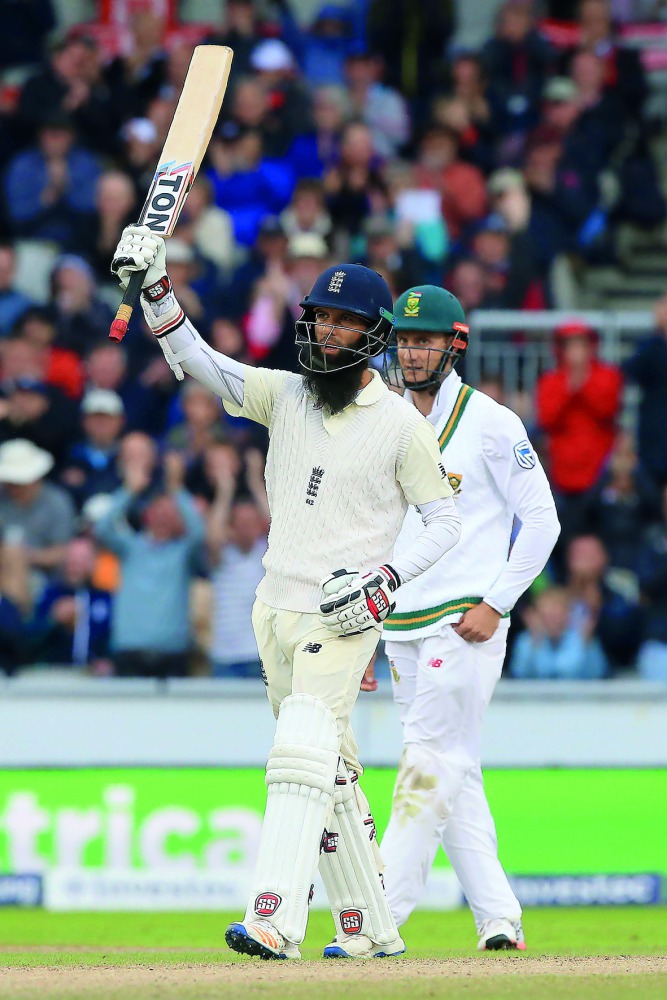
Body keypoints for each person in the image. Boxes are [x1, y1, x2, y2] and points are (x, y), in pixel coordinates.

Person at [110, 224, 461, 960]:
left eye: (343, 322)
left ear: (375, 335)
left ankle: (274, 917)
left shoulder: (401, 426)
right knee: (327, 768)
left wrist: (386, 580)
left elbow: (444, 521)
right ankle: (370, 927)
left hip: (343, 611)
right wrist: (157, 289)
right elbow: (198, 361)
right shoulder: (285, 395)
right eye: (320, 318)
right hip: (273, 606)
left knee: (299, 749)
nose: (327, 332)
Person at [379, 284, 560, 951]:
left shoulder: (491, 422)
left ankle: (379, 917)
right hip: (399, 624)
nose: (411, 352)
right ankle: (499, 917)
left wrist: (497, 602)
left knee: (426, 763)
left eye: (424, 340)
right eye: (403, 339)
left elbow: (542, 521)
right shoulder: (386, 419)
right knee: (453, 771)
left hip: (464, 621)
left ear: (454, 345)